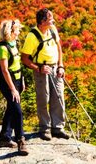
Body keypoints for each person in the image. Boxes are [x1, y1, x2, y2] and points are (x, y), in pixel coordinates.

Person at [20, 8, 69, 140]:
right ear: (42, 22)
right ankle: (45, 128)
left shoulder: (52, 30)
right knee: (43, 99)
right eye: (50, 19)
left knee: (59, 96)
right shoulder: (32, 36)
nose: (53, 21)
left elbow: (59, 47)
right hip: (41, 70)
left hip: (55, 67)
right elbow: (24, 58)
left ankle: (58, 127)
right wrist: (38, 68)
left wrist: (61, 65)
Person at [0, 19, 29, 155]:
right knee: (17, 111)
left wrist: (21, 80)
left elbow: (17, 64)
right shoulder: (3, 48)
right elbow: (5, 71)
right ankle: (21, 141)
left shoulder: (15, 43)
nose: (19, 31)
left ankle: (4, 137)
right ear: (10, 31)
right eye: (17, 29)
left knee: (11, 108)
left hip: (16, 80)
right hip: (7, 83)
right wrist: (12, 89)